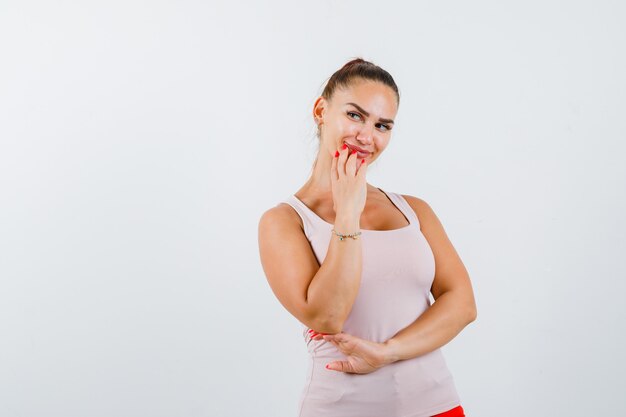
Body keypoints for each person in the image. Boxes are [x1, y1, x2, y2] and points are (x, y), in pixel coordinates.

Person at [257, 58, 477, 417]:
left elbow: (463, 304)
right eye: (355, 115)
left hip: (438, 404)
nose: (366, 136)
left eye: (382, 125)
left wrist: (388, 351)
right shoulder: (284, 221)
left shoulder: (414, 210)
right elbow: (327, 316)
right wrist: (347, 213)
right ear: (320, 111)